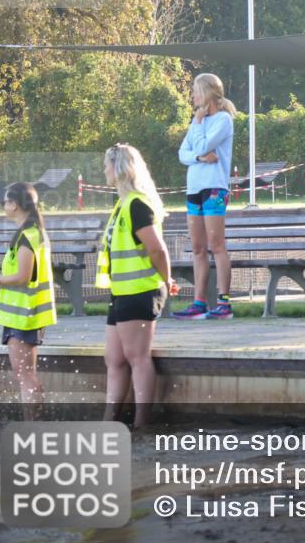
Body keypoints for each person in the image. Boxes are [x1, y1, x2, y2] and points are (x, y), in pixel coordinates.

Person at [99, 144, 176, 428]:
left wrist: (166, 280)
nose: (104, 171)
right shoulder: (122, 204)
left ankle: (143, 424)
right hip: (120, 292)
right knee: (115, 358)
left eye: (107, 165)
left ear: (119, 168)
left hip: (140, 291)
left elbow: (157, 249)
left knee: (137, 357)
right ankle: (110, 422)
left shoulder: (137, 204)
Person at [0, 183, 56, 413]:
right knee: (26, 375)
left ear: (14, 205)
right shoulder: (30, 232)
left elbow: (22, 276)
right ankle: (34, 426)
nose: (3, 206)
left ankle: (32, 429)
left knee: (25, 376)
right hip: (24, 315)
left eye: (4, 202)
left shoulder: (28, 235)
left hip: (25, 315)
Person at [172, 73, 236, 320]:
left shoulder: (223, 120)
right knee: (198, 247)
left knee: (216, 246)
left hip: (214, 189)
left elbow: (201, 145)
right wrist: (199, 158)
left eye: (196, 91)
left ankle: (224, 303)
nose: (193, 96)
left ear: (208, 93)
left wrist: (198, 134)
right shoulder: (196, 121)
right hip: (194, 189)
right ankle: (199, 302)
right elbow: (184, 154)